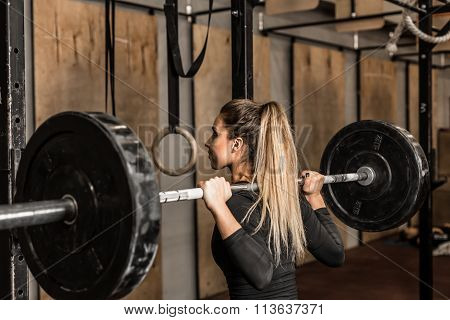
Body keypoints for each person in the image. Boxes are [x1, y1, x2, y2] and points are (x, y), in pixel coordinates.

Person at [198, 99, 345, 300]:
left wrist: (218, 206)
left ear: (236, 144)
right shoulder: (286, 200)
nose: (208, 141)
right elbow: (335, 254)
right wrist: (315, 196)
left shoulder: (235, 205)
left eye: (215, 133)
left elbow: (261, 275)